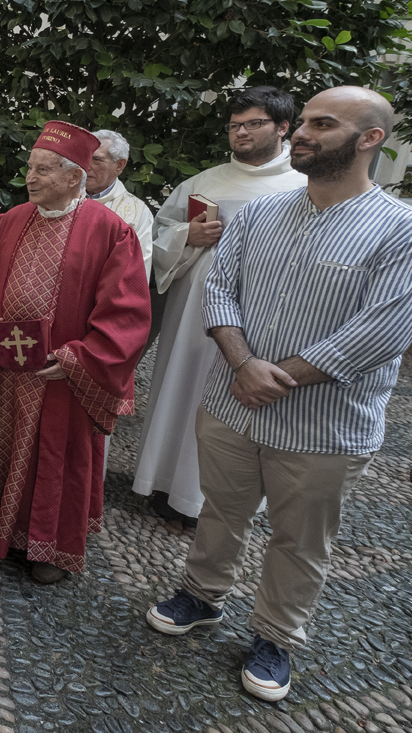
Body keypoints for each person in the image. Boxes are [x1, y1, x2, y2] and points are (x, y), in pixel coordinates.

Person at [145, 87, 412, 703]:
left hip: (322, 423)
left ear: (370, 139)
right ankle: (202, 595)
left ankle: (277, 634)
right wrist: (241, 362)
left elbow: (385, 327)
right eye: (302, 120)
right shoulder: (260, 215)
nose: (300, 132)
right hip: (230, 403)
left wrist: (277, 375)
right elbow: (220, 289)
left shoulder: (405, 230)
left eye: (322, 123)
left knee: (300, 536)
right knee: (219, 510)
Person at [0, 121, 150, 584]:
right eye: (30, 168)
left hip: (62, 377)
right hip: (6, 366)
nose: (29, 178)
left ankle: (48, 545)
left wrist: (81, 358)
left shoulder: (112, 233)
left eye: (42, 170)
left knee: (56, 456)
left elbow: (127, 314)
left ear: (74, 177)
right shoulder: (10, 221)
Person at [131, 87, 307, 524]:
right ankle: (165, 482)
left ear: (283, 127)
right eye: (234, 126)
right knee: (180, 389)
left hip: (259, 319)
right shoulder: (202, 182)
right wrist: (185, 237)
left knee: (236, 399)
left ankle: (218, 500)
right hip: (192, 315)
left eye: (252, 123)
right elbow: (159, 236)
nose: (240, 132)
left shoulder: (305, 187)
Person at [86, 130, 153, 280]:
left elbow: (136, 275)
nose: (87, 166)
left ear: (119, 165)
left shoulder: (138, 212)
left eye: (96, 159)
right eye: (85, 157)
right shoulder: (62, 200)